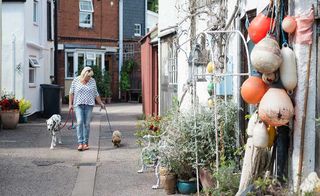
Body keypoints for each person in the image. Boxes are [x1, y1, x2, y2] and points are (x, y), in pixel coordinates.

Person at [69, 66, 105, 151]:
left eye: (90, 76)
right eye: (88, 76)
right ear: (84, 74)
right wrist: (70, 104)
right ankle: (80, 143)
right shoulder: (76, 80)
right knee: (80, 122)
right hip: (78, 105)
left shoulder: (92, 81)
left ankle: (85, 143)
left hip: (89, 105)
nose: (89, 78)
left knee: (87, 124)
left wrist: (101, 103)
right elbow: (71, 92)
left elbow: (96, 93)